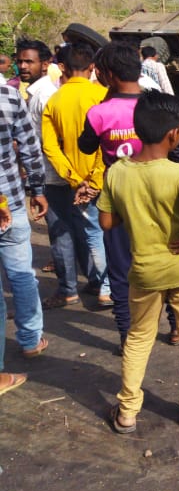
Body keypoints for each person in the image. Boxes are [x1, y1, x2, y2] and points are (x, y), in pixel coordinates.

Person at [99, 91, 179, 433]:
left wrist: (134, 211)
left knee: (138, 338)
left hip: (145, 273)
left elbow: (107, 224)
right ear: (175, 135)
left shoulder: (118, 173)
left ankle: (126, 412)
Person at [80, 43, 179, 349]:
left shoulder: (99, 113)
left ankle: (128, 335)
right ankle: (176, 328)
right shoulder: (162, 107)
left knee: (122, 271)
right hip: (163, 198)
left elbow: (86, 147)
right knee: (170, 263)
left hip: (120, 202)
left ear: (108, 74)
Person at [40, 42, 112, 306]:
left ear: (63, 68)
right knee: (103, 232)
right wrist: (94, 177)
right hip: (104, 177)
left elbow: (49, 146)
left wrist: (74, 178)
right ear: (92, 67)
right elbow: (108, 140)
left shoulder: (54, 101)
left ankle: (104, 286)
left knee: (91, 231)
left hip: (77, 182)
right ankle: (107, 286)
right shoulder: (103, 95)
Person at [18, 39, 86, 310]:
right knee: (81, 228)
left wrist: (36, 178)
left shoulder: (44, 96)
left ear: (46, 65)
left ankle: (68, 288)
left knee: (61, 233)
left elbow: (46, 142)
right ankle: (94, 281)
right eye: (20, 60)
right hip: (68, 174)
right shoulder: (44, 92)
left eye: (29, 61)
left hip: (55, 174)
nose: (23, 66)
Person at [0, 81, 49, 364]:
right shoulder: (8, 96)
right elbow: (31, 148)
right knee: (21, 275)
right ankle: (31, 340)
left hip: (10, 203)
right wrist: (38, 190)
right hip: (12, 201)